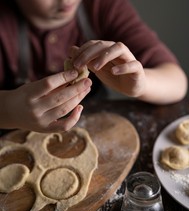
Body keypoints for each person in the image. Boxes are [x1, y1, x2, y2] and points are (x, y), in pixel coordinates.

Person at [0, 0, 187, 133]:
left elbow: (177, 81)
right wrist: (9, 111)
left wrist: (142, 84)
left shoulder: (102, 6)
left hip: (95, 128)